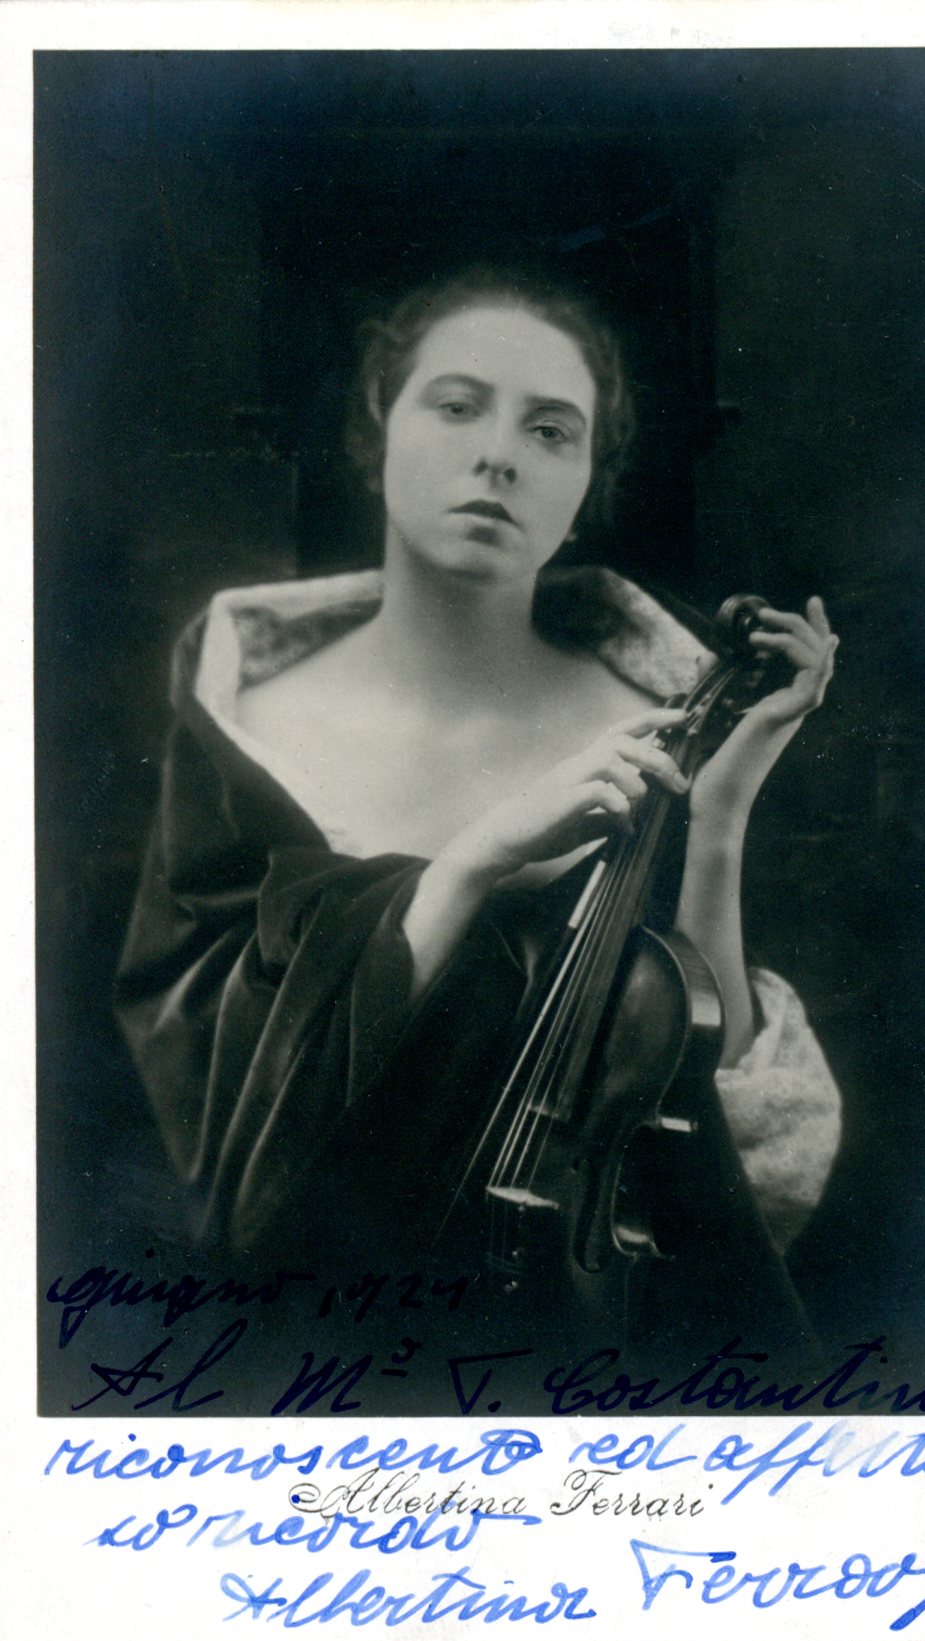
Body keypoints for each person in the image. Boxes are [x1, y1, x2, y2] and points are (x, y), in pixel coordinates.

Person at [115, 268, 841, 1380]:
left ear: (586, 482)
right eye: (457, 406)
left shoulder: (660, 714)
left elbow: (715, 1108)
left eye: (551, 430)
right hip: (319, 1338)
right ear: (379, 431)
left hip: (591, 1329)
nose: (499, 454)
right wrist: (475, 858)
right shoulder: (245, 723)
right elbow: (213, 1104)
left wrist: (721, 812)